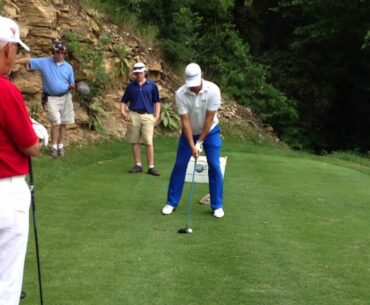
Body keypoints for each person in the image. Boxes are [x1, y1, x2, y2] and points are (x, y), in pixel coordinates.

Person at [0, 16, 46, 305]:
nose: (16, 57)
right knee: (7, 279)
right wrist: (37, 134)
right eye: (15, 50)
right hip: (7, 191)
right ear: (6, 50)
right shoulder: (6, 90)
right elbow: (31, 146)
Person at [162, 63, 225, 218]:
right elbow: (185, 122)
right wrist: (192, 144)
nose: (193, 88)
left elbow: (209, 119)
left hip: (210, 132)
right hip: (188, 132)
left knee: (214, 164)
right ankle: (171, 202)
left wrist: (200, 142)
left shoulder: (213, 90)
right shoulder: (180, 94)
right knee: (180, 164)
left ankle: (217, 205)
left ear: (202, 76)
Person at [16, 41, 75, 158]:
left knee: (63, 123)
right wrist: (12, 61)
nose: (60, 55)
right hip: (52, 98)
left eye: (62, 53)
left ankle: (60, 146)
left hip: (66, 97)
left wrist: (72, 85)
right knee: (56, 122)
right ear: (53, 52)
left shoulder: (68, 67)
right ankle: (53, 147)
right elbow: (28, 60)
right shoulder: (45, 62)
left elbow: (71, 82)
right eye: (58, 52)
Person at [120, 62, 161, 176]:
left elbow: (157, 101)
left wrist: (157, 115)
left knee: (148, 141)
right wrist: (123, 111)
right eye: (136, 73)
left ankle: (151, 167)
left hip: (148, 115)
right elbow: (124, 100)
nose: (138, 75)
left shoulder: (152, 85)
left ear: (144, 72)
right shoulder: (131, 86)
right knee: (134, 140)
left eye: (140, 73)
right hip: (134, 114)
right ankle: (138, 165)